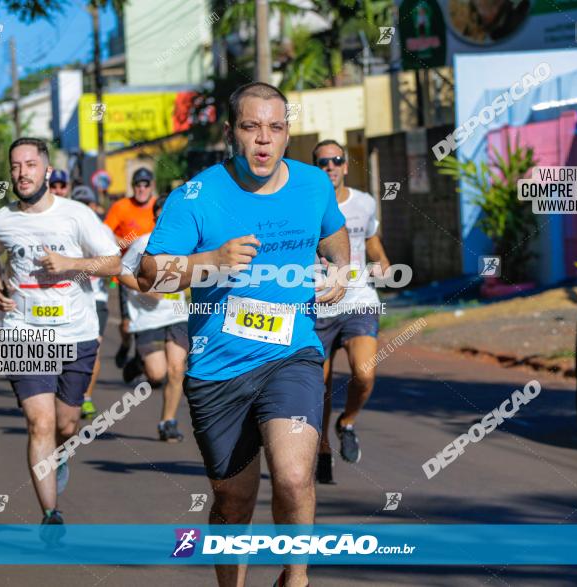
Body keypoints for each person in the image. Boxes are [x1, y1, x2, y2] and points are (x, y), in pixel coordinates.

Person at [137, 82, 349, 587]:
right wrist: (209, 261)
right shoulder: (197, 195)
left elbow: (335, 237)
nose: (263, 141)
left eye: (275, 128)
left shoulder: (313, 185)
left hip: (291, 352)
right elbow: (149, 275)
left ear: (287, 134)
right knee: (233, 499)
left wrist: (341, 269)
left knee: (295, 475)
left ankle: (294, 579)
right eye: (251, 127)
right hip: (217, 368)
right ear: (231, 132)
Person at [0, 137, 120, 526]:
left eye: (29, 165)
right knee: (39, 422)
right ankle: (50, 513)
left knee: (65, 425)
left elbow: (113, 263)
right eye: (15, 166)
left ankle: (60, 454)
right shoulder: (0, 220)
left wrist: (70, 263)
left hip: (76, 331)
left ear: (46, 170)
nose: (21, 173)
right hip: (24, 332)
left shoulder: (76, 215)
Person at [311, 139, 392, 485]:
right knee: (321, 386)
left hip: (359, 300)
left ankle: (347, 422)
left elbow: (372, 243)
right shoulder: (305, 206)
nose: (330, 166)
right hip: (319, 303)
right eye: (322, 162)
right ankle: (324, 448)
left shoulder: (364, 203)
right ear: (315, 168)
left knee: (365, 373)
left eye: (336, 161)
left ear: (345, 166)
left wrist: (384, 264)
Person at [118, 196, 188, 442]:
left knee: (177, 369)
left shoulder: (186, 243)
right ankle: (139, 362)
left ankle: (168, 421)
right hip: (148, 318)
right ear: (155, 218)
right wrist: (145, 288)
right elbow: (121, 272)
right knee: (157, 375)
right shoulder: (142, 244)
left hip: (177, 315)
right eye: (160, 216)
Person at [104, 167, 157, 370]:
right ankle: (126, 344)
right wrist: (127, 243)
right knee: (127, 324)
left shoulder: (158, 206)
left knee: (149, 318)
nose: (142, 188)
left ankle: (141, 357)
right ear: (133, 186)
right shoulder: (121, 207)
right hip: (127, 273)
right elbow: (105, 235)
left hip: (153, 273)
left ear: (151, 186)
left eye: (146, 184)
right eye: (138, 184)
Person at [69, 185, 111, 419]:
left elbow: (116, 260)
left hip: (96, 297)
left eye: (88, 204)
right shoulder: (64, 228)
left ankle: (86, 397)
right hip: (70, 298)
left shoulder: (103, 230)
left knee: (93, 347)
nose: (85, 209)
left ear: (95, 206)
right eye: (80, 204)